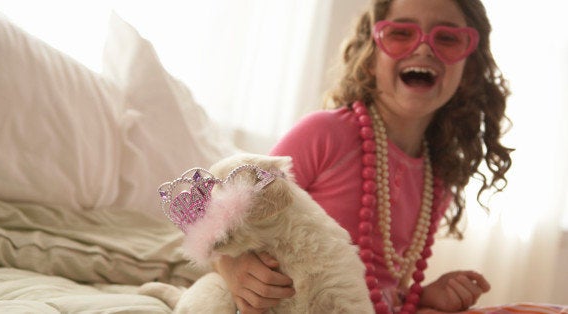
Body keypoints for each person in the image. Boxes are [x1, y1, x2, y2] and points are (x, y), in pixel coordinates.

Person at [213, 0, 512, 313]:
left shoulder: (438, 181)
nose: (424, 48)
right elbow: (222, 226)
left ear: (469, 71)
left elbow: (380, 285)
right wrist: (232, 268)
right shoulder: (324, 134)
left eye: (447, 38)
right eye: (401, 33)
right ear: (371, 55)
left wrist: (422, 297)